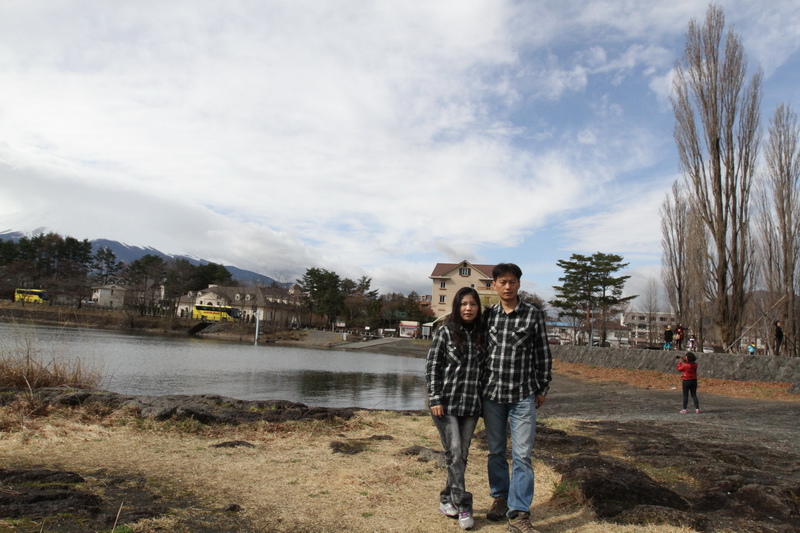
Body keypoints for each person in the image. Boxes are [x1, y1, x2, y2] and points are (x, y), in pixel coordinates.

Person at [481, 263, 552, 533]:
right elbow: (480, 353)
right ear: (494, 285)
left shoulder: (533, 314)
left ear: (519, 284)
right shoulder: (488, 316)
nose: (507, 287)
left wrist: (542, 388)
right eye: (502, 282)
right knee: (496, 451)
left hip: (523, 395)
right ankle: (500, 497)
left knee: (522, 455)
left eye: (512, 282)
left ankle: (520, 513)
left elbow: (543, 354)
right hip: (492, 395)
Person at [426, 287, 485, 530]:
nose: (468, 308)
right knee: (455, 452)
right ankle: (463, 505)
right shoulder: (445, 332)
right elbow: (432, 366)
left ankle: (445, 499)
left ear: (478, 307)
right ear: (457, 306)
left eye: (473, 304)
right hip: (446, 404)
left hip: (471, 405)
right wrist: (435, 398)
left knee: (460, 455)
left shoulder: (483, 335)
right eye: (463, 304)